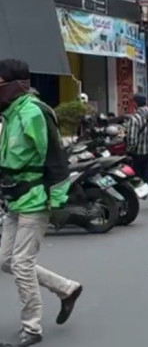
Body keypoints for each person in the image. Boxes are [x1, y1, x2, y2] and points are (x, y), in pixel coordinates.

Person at [0, 59, 82, 347]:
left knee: (21, 264)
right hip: (14, 199)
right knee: (6, 261)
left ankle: (32, 328)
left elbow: (56, 161)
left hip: (36, 198)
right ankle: (66, 289)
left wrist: (57, 202)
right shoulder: (9, 115)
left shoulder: (33, 112)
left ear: (17, 85)